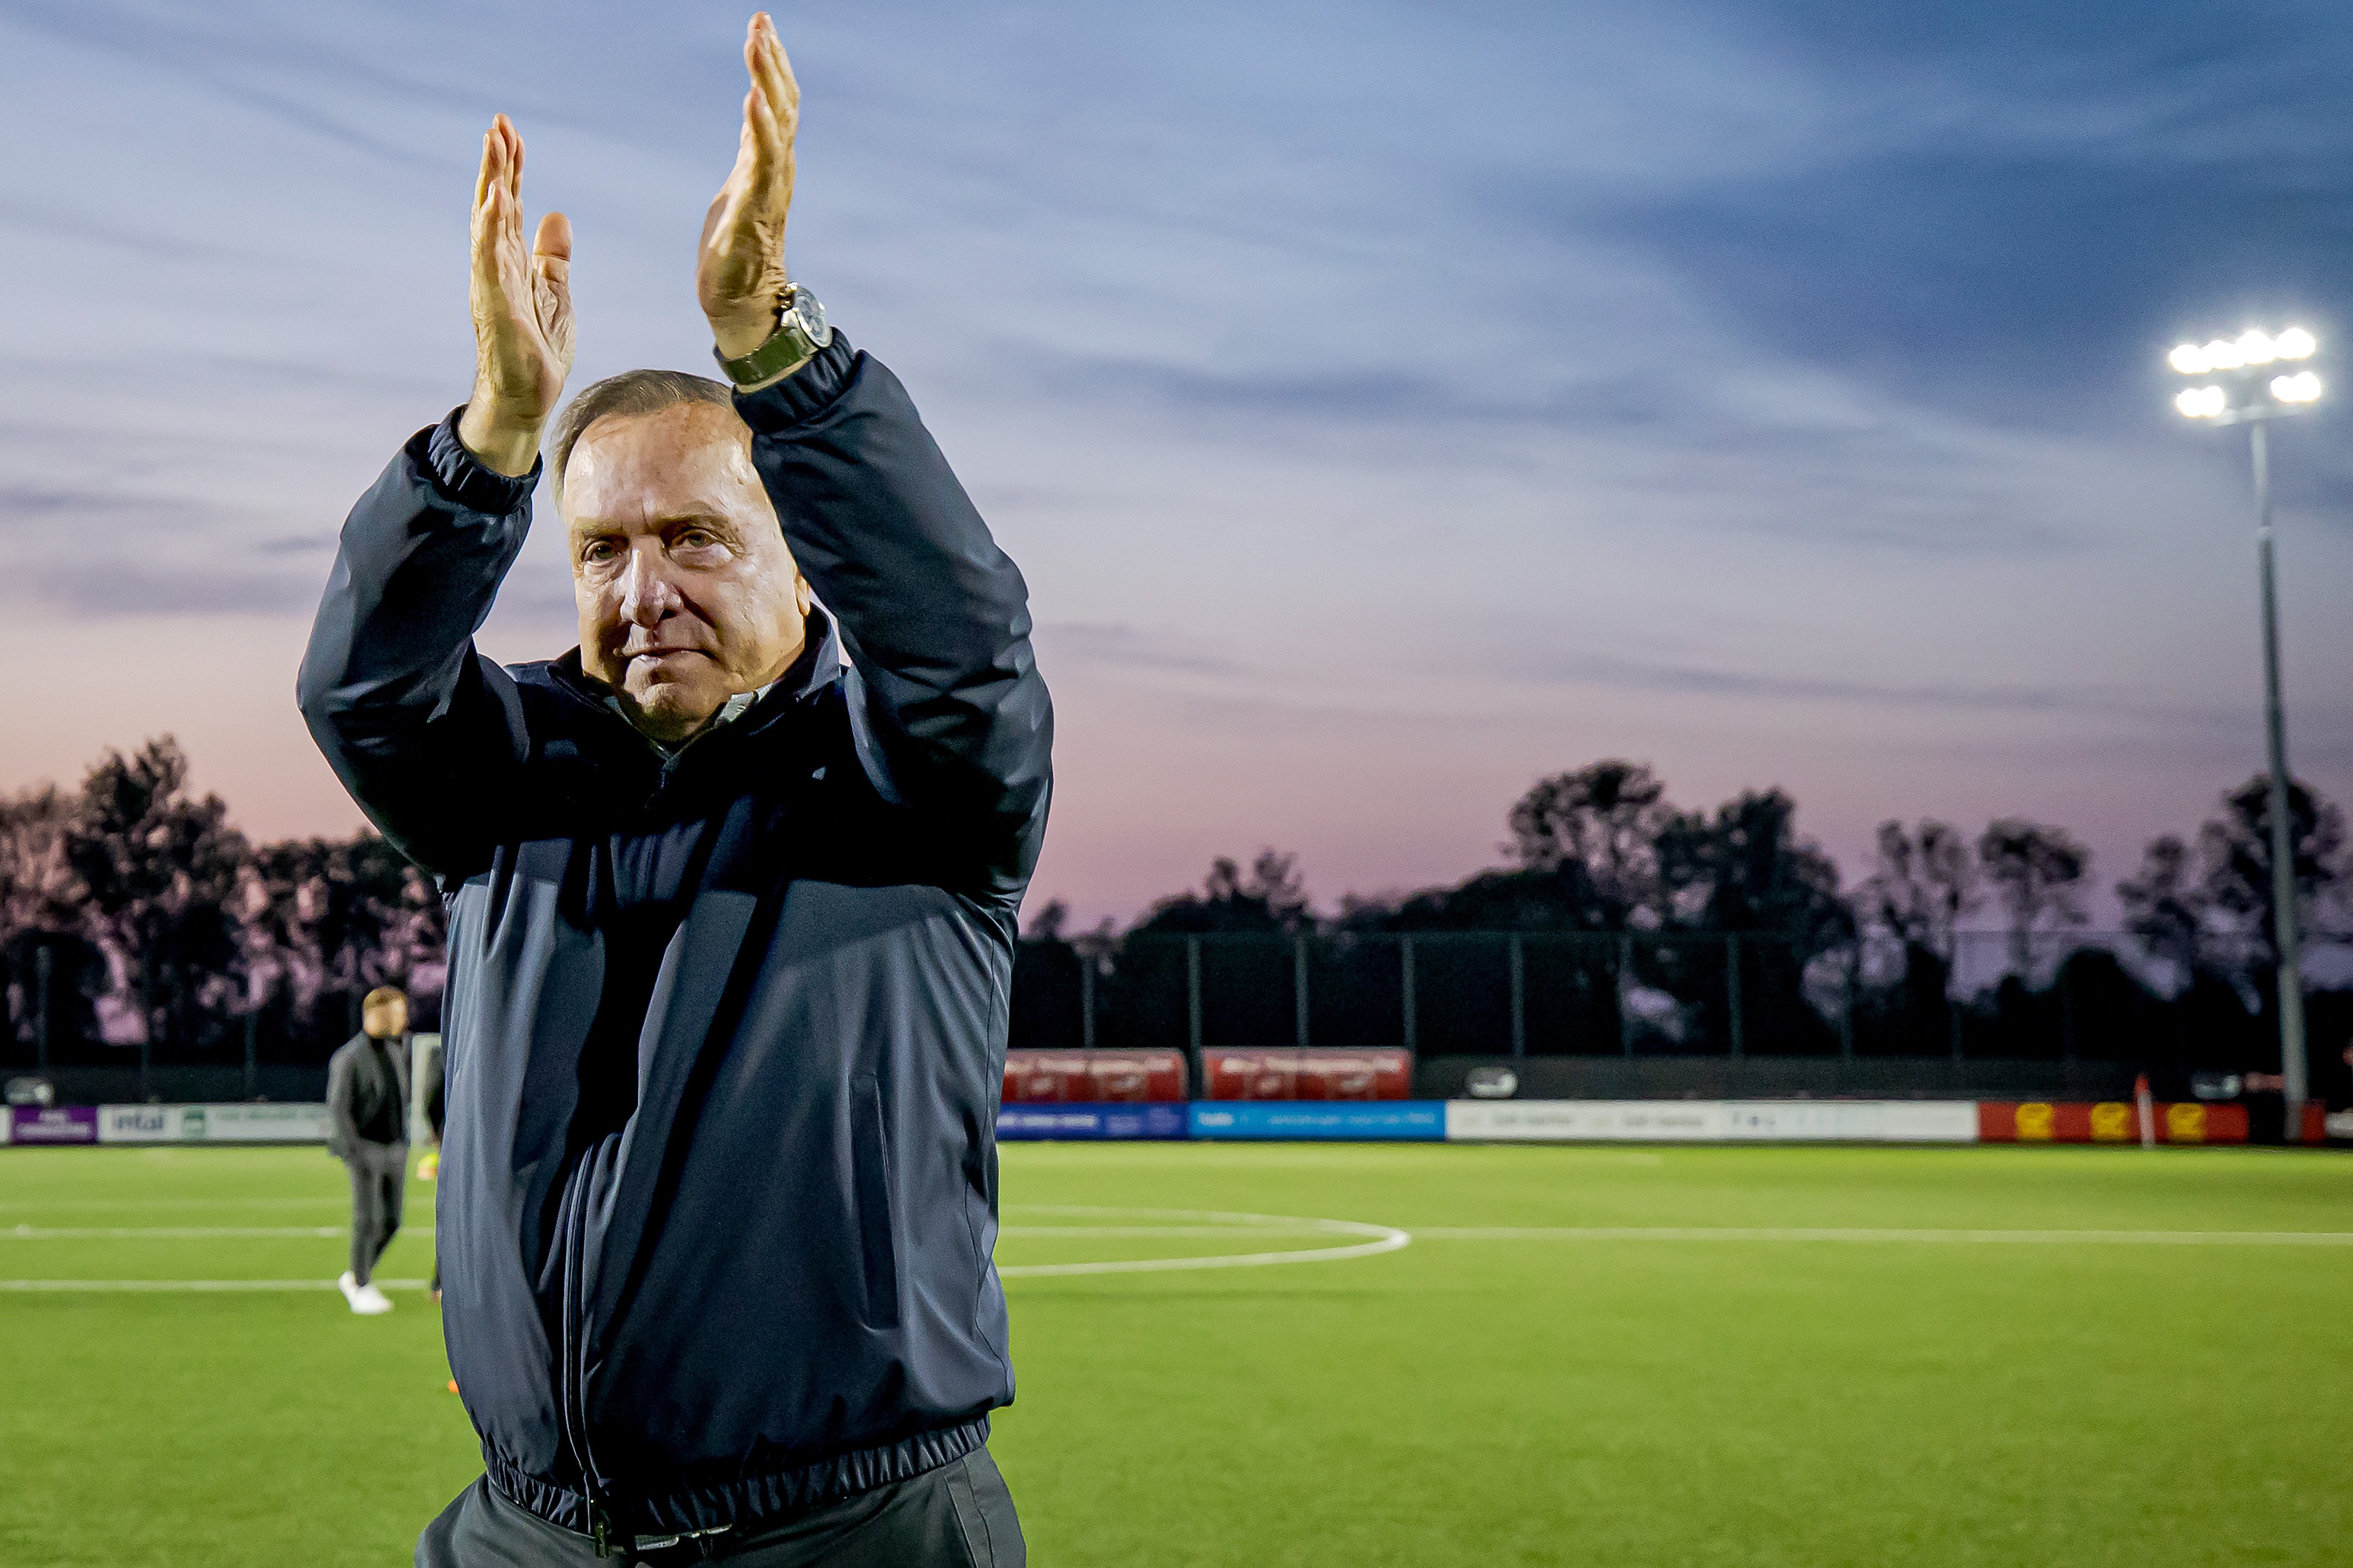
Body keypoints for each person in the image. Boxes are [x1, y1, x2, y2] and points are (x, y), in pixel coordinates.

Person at [298, 15, 1047, 1565]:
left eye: (695, 536)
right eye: (601, 548)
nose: (642, 588)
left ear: (796, 547)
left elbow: (963, 640)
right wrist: (492, 439)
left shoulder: (912, 788)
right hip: (528, 1531)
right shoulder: (505, 788)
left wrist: (779, 349)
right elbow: (357, 691)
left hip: (847, 1532)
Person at [325, 985, 412, 1317]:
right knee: (367, 1220)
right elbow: (339, 1108)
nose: (404, 1018)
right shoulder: (348, 1057)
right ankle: (360, 1284)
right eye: (399, 1011)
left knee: (392, 1222)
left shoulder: (394, 1051)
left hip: (393, 1149)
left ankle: (355, 1275)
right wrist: (355, 1153)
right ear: (378, 1013)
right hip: (366, 1149)